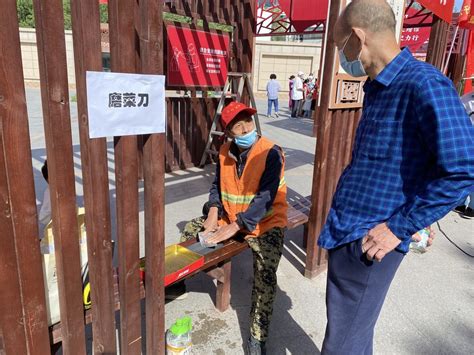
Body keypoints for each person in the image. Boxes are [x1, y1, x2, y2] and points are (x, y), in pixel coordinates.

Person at [318, 1, 474, 353]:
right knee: (352, 334)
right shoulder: (379, 88)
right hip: (351, 231)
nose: (342, 56)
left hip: (372, 239)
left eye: (342, 46)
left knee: (342, 344)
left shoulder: (423, 84)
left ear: (358, 38)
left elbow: (463, 168)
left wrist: (400, 226)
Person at [180, 101, 288, 355]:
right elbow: (217, 186)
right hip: (229, 217)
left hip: (266, 223)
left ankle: (256, 338)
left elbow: (265, 198)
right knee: (190, 231)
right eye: (237, 127)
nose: (245, 129)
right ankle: (179, 282)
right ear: (228, 133)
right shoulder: (224, 150)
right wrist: (213, 211)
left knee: (265, 276)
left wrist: (235, 226)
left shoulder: (271, 152)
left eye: (247, 123)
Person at [454, 90, 474, 218]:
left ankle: (472, 207)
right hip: (466, 141)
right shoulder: (465, 99)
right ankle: (459, 203)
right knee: (463, 172)